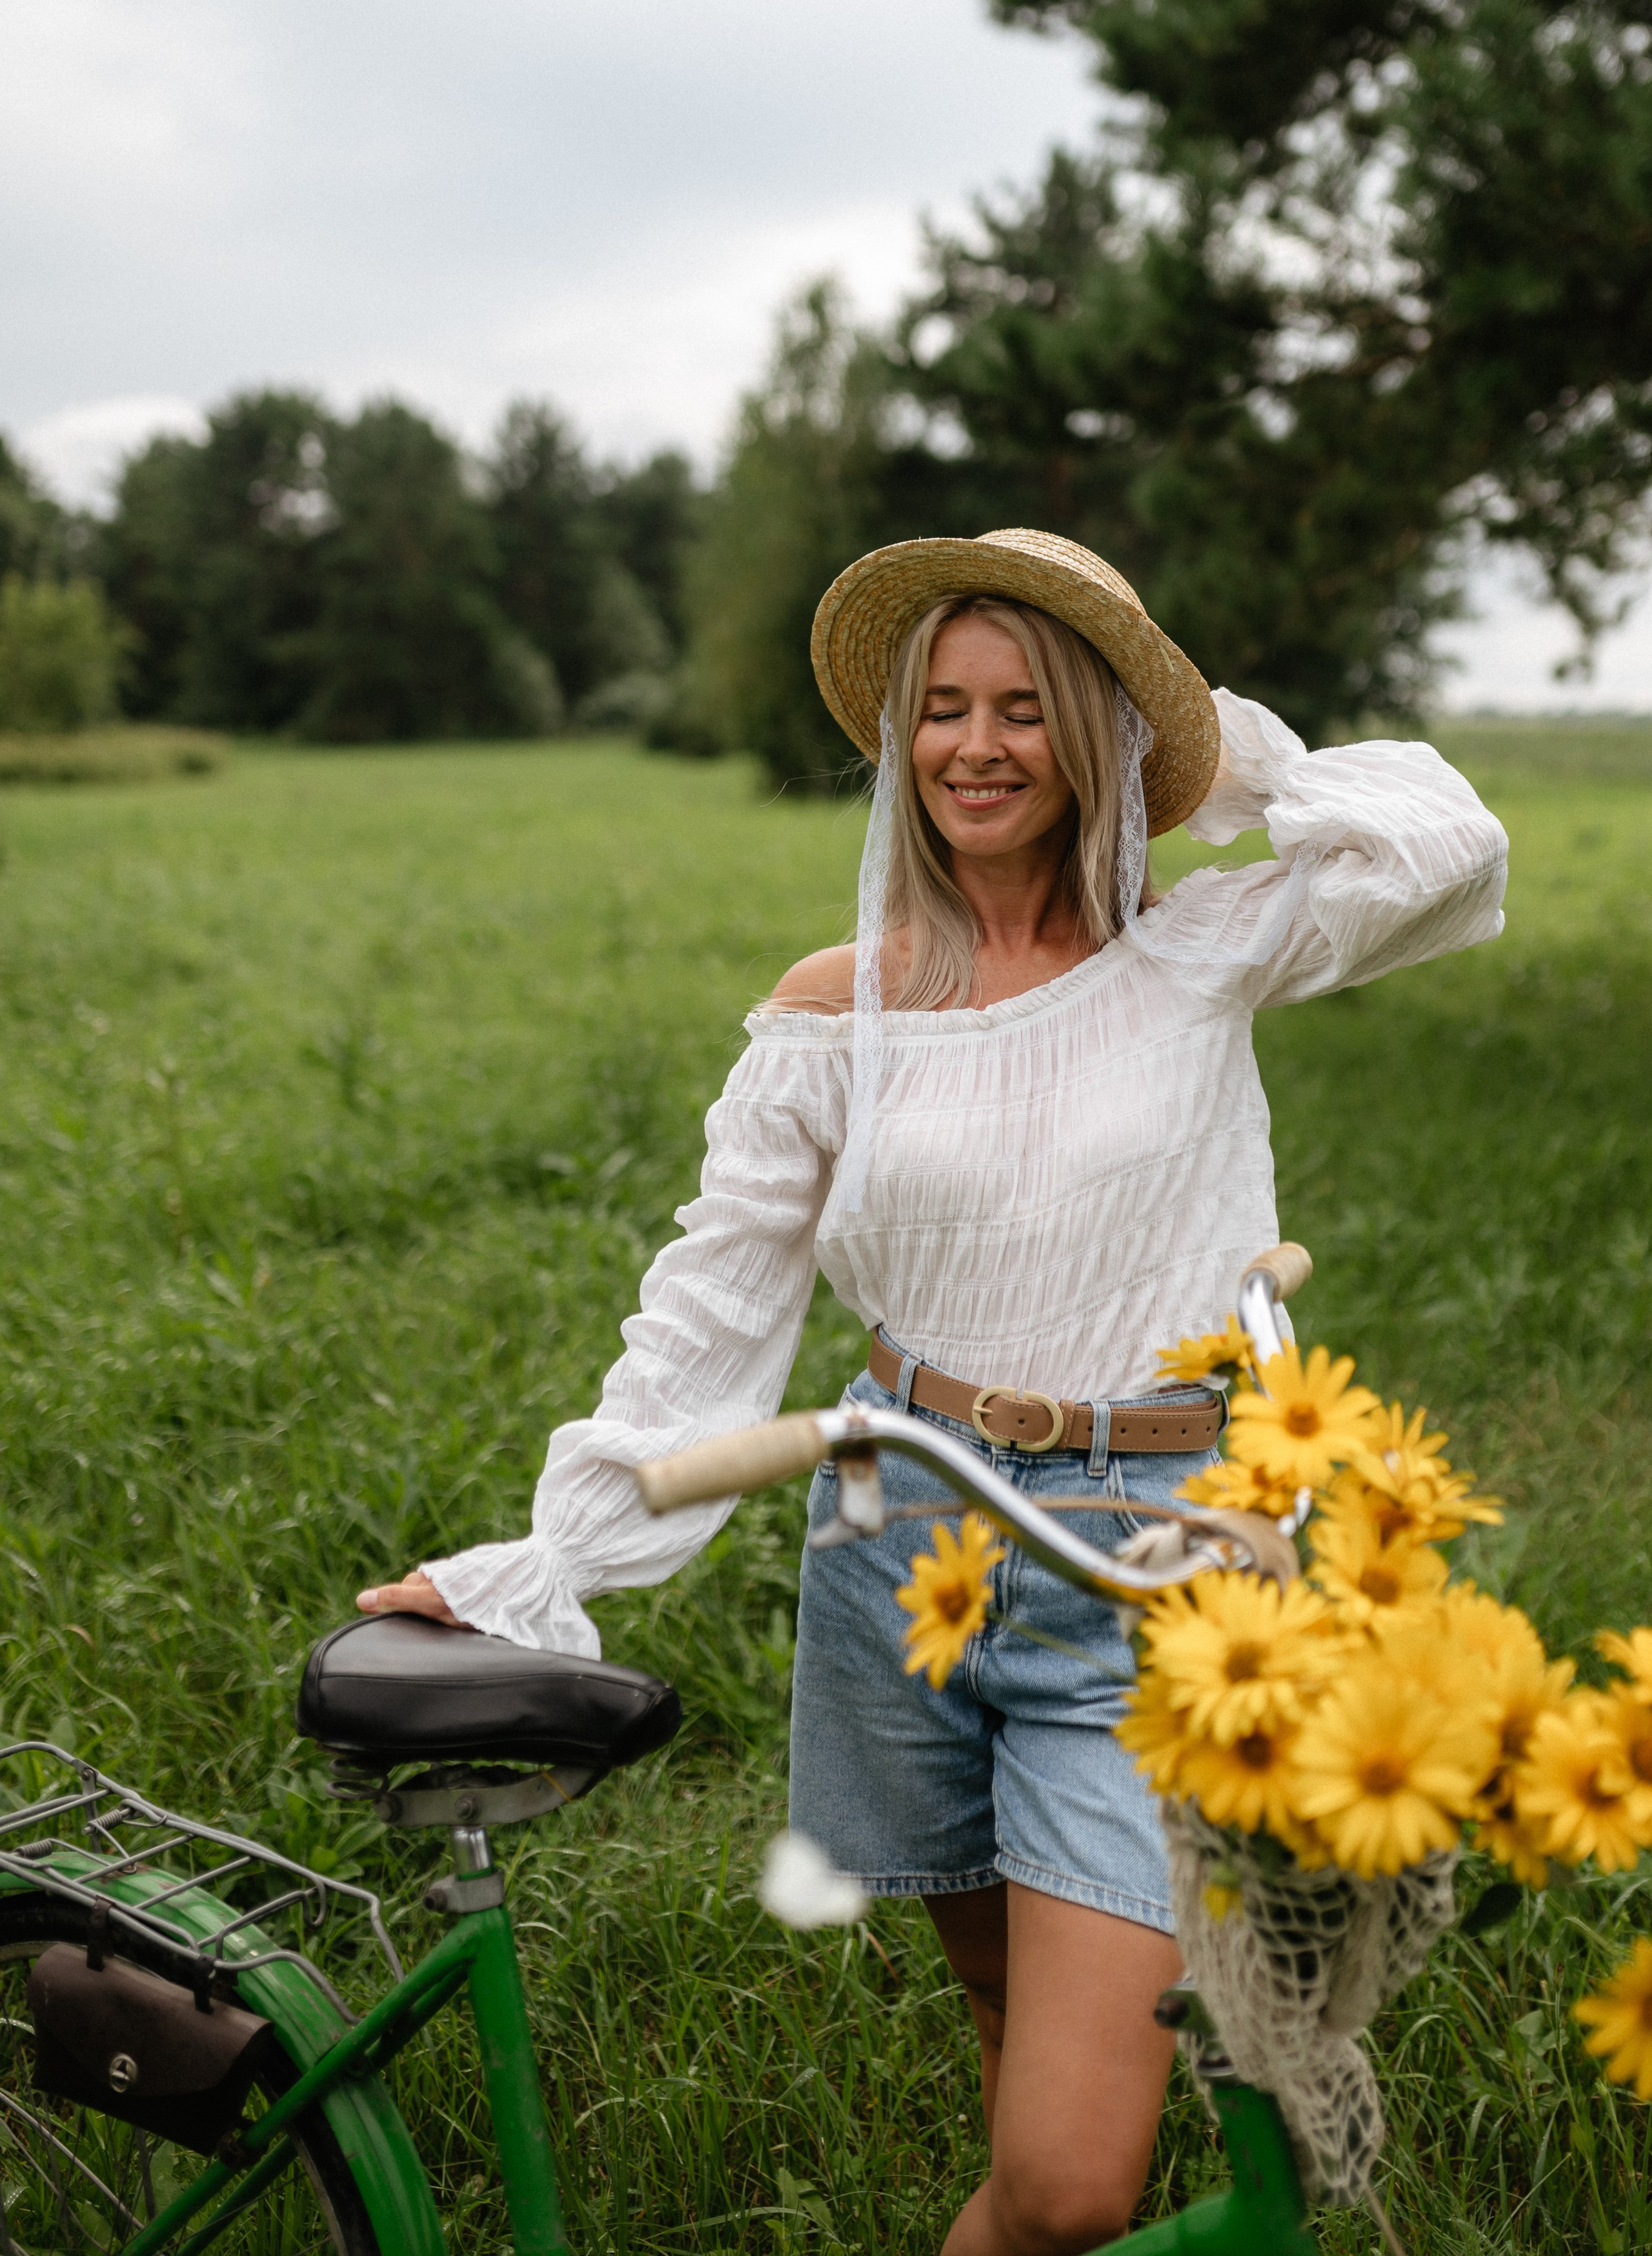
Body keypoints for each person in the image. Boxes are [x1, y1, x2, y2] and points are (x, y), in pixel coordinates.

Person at [358, 529, 1507, 2254]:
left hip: (1159, 1567)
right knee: (1004, 2041)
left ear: (1098, 735)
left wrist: (1201, 744)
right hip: (905, 1544)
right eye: (944, 710)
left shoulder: (1204, 951)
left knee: (1062, 2181)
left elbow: (1451, 841)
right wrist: (550, 1560)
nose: (976, 747)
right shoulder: (838, 1020)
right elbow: (709, 1310)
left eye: (1030, 710)